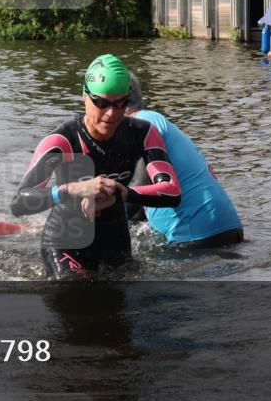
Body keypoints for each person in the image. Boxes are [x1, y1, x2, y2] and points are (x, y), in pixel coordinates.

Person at [10, 54, 182, 280]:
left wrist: (123, 192)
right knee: (75, 290)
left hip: (115, 237)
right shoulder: (61, 141)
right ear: (85, 95)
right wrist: (74, 189)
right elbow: (20, 202)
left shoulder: (143, 133)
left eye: (121, 103)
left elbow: (172, 191)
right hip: (66, 239)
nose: (111, 113)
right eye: (101, 103)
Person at [124, 75, 243, 249]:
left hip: (197, 236)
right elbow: (143, 199)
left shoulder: (140, 123)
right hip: (227, 227)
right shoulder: (155, 120)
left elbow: (138, 186)